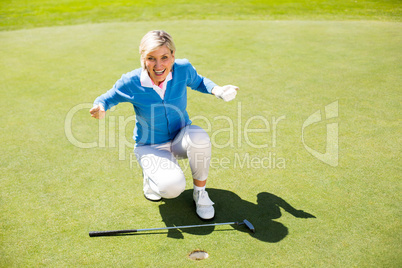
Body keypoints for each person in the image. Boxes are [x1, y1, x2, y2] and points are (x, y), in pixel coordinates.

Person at [90, 30, 238, 220]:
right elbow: (106, 98)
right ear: (143, 58)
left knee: (199, 137)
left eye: (165, 57)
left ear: (173, 56)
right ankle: (152, 178)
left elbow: (199, 81)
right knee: (171, 189)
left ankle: (200, 194)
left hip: (181, 138)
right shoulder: (131, 81)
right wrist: (100, 107)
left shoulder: (182, 69)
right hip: (150, 146)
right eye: (151, 58)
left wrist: (217, 89)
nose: (159, 65)